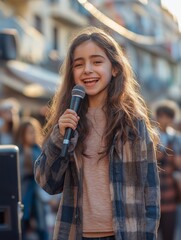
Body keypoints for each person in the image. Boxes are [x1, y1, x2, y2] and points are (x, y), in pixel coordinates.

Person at [34, 26, 160, 240]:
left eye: (97, 61)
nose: (87, 70)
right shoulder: (67, 120)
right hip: (75, 233)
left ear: (114, 69)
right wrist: (58, 137)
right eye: (79, 64)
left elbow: (150, 193)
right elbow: (48, 183)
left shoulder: (132, 122)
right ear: (72, 74)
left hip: (125, 234)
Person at [15, 117, 49, 240]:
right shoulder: (18, 151)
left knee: (41, 223)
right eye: (29, 132)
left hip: (37, 191)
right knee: (21, 223)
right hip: (23, 190)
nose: (33, 135)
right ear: (22, 133)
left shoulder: (39, 150)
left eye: (34, 131)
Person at [154, 100, 181, 240]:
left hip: (170, 192)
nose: (165, 119)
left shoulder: (176, 138)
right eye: (162, 116)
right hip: (153, 194)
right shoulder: (151, 135)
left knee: (169, 234)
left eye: (168, 116)